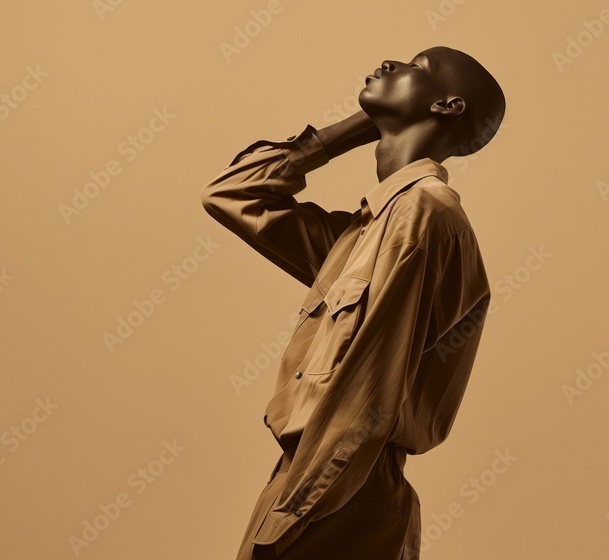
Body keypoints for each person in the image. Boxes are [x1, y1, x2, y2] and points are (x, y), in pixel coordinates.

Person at [201, 45, 506, 560]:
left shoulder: (423, 215)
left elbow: (367, 389)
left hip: (336, 486)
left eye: (417, 66)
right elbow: (232, 194)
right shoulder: (367, 231)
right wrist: (342, 135)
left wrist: (295, 511)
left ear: (448, 105)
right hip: (318, 480)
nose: (390, 62)